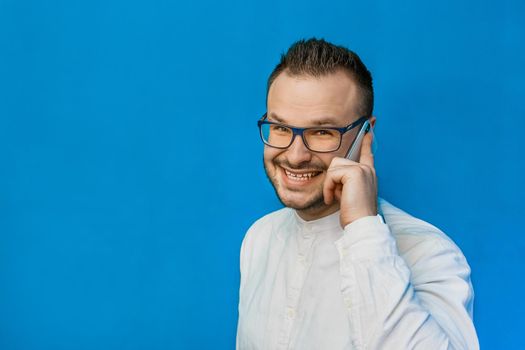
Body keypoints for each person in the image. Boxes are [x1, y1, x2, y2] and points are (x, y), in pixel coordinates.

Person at [236, 38, 479, 350]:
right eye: (280, 128)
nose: (295, 156)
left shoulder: (429, 253)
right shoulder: (259, 237)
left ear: (366, 133)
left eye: (322, 132)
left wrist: (363, 230)